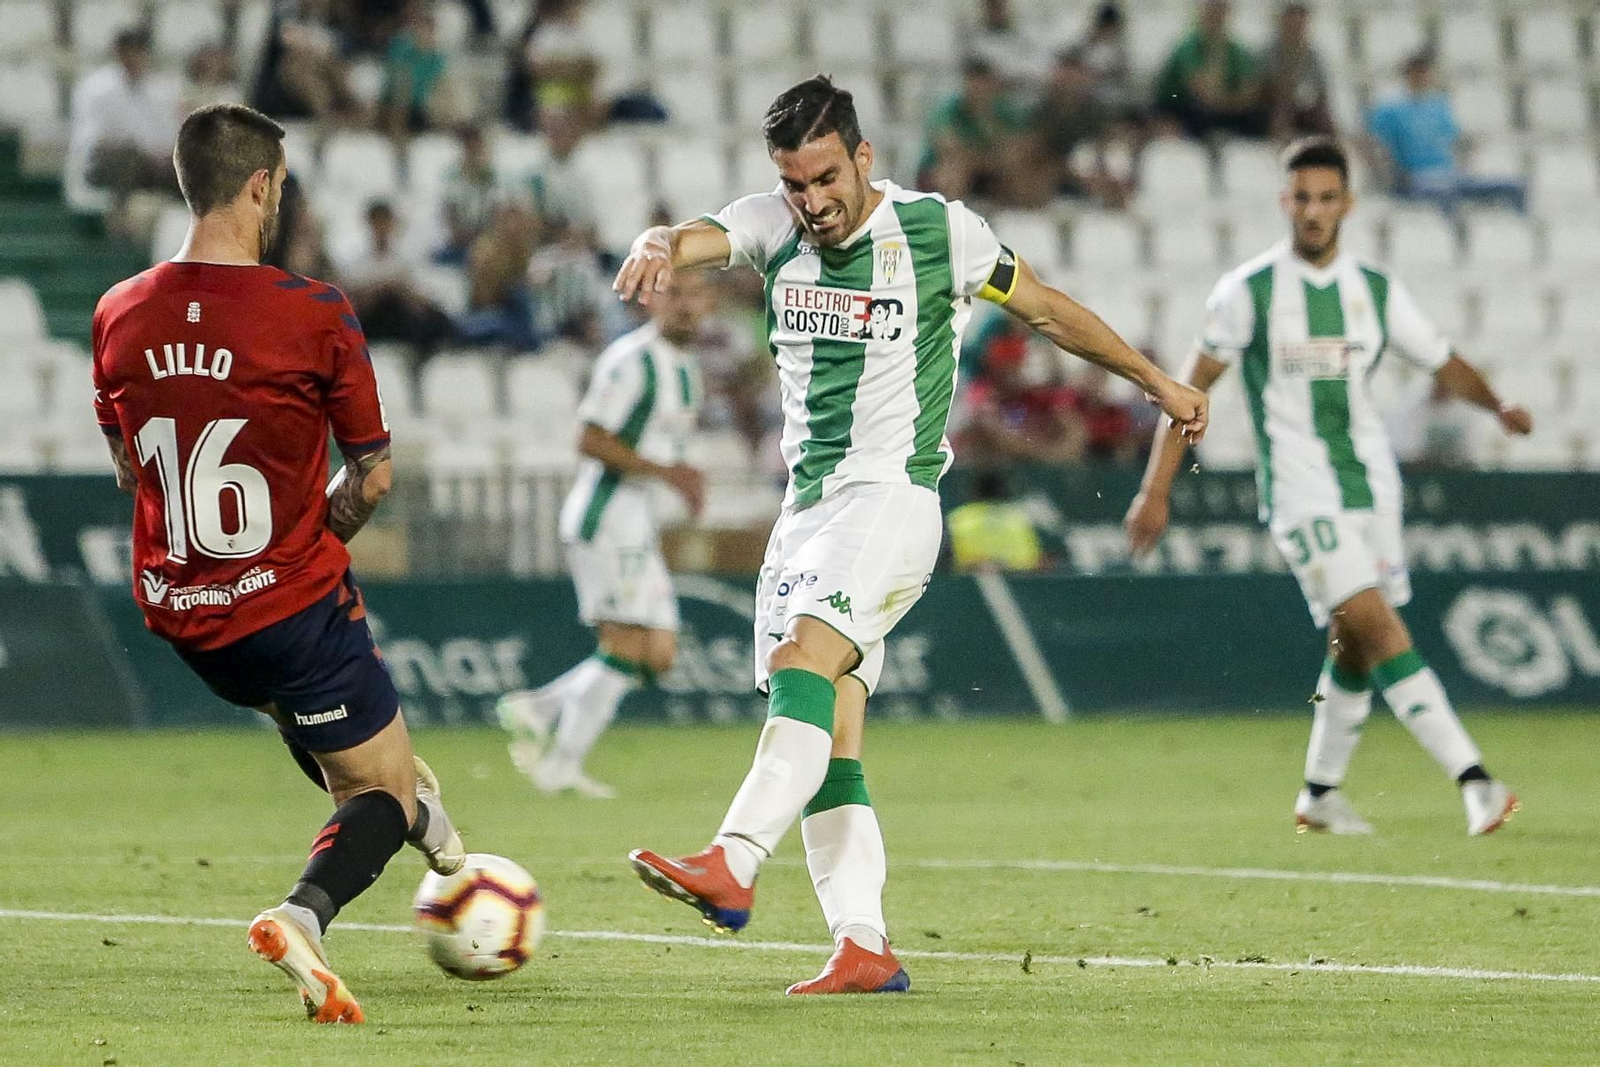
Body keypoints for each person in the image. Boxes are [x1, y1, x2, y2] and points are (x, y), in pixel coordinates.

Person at [614, 75, 1207, 994]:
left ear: (862, 157)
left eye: (823, 178)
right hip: (805, 512)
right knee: (830, 729)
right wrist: (658, 242)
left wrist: (1157, 382)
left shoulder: (941, 232)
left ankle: (732, 862)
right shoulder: (770, 225)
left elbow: (1048, 310)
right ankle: (863, 944)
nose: (810, 202)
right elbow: (697, 238)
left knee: (808, 670)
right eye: (792, 182)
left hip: (891, 499)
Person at [90, 103, 465, 1024]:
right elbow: (372, 479)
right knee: (384, 788)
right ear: (262, 186)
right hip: (289, 607)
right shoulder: (314, 313)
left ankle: (424, 817)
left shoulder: (117, 312)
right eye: (281, 185)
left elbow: (130, 466)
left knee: (348, 748)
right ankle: (309, 909)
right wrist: (314, 531)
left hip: (185, 617)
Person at [1123, 137, 1532, 837]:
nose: (1312, 211)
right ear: (1285, 203)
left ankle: (1318, 794)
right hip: (1298, 490)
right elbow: (1187, 393)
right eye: (1301, 198)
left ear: (1347, 203)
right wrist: (1154, 488)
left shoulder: (1373, 290)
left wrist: (1495, 405)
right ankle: (1475, 780)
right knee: (1375, 622)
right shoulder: (1247, 291)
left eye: (1325, 198)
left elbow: (1443, 361)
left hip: (1371, 487)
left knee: (1354, 639)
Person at [496, 272, 714, 797]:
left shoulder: (688, 369)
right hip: (606, 515)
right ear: (653, 300)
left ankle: (538, 707)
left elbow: (663, 449)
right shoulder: (630, 360)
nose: (684, 306)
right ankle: (559, 767)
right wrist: (667, 474)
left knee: (658, 652)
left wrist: (679, 479)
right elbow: (589, 439)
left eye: (694, 295)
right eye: (674, 294)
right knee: (627, 644)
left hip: (636, 517)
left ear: (710, 303)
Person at [1367, 49, 1525, 214]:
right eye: (1417, 72)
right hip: (1414, 179)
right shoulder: (1389, 109)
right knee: (1447, 198)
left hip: (1449, 176)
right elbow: (1372, 144)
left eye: (1426, 72)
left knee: (1515, 188)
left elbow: (1456, 141)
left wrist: (1465, 160)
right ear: (1407, 74)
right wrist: (1390, 174)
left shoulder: (1440, 106)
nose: (1422, 77)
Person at [64, 28, 182, 224]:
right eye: (129, 52)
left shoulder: (160, 89)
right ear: (119, 53)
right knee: (127, 157)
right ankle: (119, 222)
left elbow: (168, 134)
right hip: (105, 163)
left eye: (139, 52)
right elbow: (90, 139)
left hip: (152, 163)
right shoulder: (95, 88)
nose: (135, 58)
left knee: (191, 165)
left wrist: (158, 153)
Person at [1152, 0, 1265, 140]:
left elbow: (1249, 94)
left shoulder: (1237, 51)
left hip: (1220, 112)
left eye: (1220, 10)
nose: (1216, 16)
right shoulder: (1187, 47)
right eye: (1212, 10)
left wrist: (1224, 102)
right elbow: (1201, 92)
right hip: (1180, 109)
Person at [1262, 1, 1335, 140]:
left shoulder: (1312, 54)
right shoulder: (1271, 50)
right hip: (1274, 106)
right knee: (1281, 112)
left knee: (1325, 119)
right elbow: (1269, 85)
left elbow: (1321, 90)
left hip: (1306, 106)